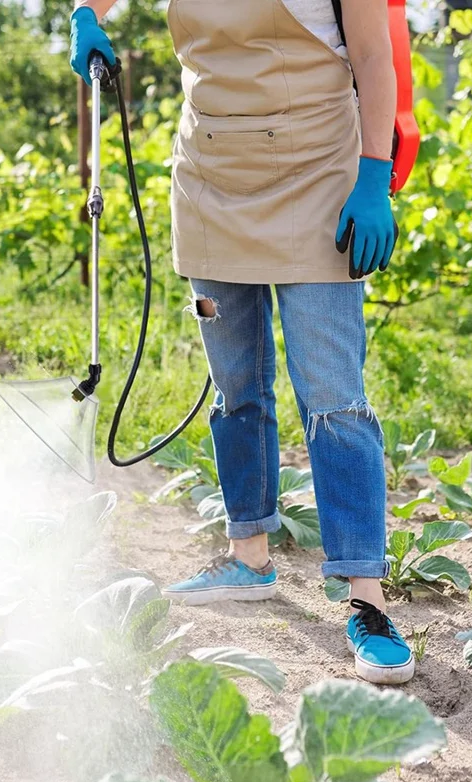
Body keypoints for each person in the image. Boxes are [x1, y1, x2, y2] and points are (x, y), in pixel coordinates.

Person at [69, 0, 413, 685]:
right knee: (233, 384)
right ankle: (248, 553)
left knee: (333, 396)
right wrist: (84, 13)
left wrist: (375, 176)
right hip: (210, 181)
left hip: (320, 175)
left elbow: (374, 58)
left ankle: (366, 600)